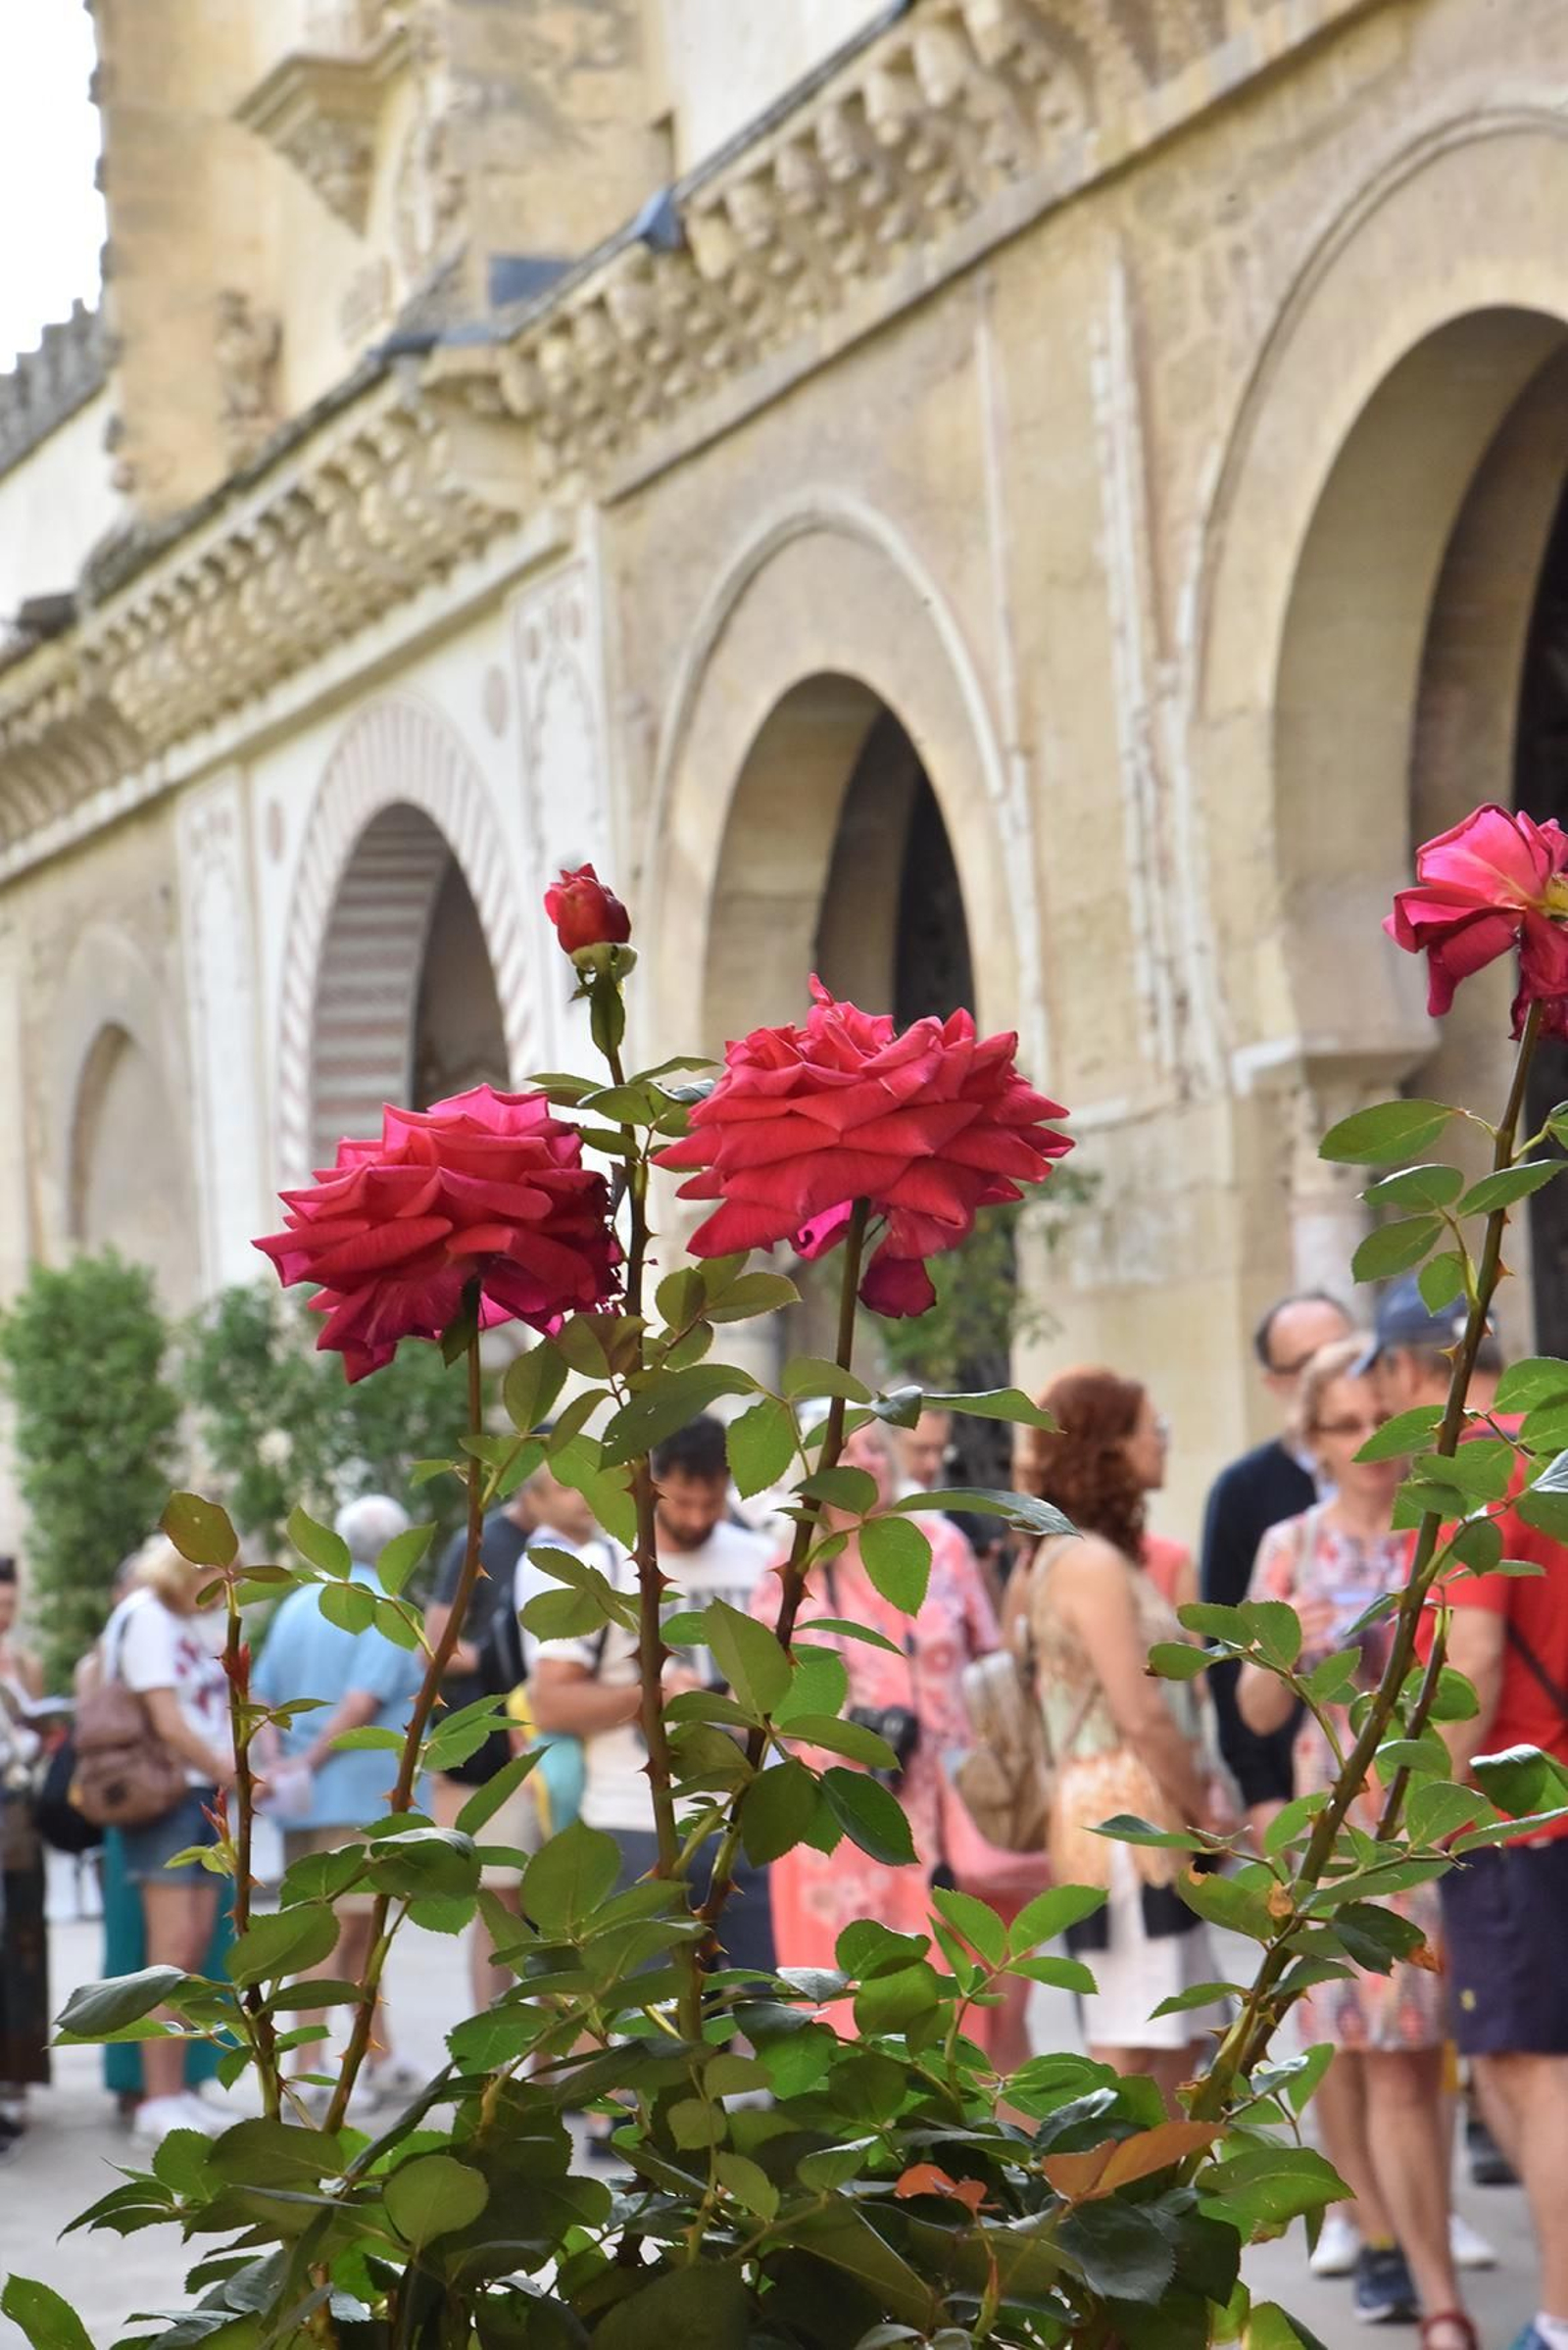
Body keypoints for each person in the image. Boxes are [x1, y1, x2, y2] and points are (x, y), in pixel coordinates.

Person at [1239, 1337, 1474, 2347]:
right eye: (1343, 1426)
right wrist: (1283, 1648)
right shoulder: (1288, 1544)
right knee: (1366, 2055)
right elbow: (1252, 1713)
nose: (1369, 1443)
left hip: (1436, 1818)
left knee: (1422, 2059)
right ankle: (1398, 2256)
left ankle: (1417, 2248)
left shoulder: (1446, 1532)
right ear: (1312, 1440)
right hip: (1338, 1833)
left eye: (1381, 1420)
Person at [1361, 1286, 1568, 2350]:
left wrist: (1417, 1825)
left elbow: (1472, 1660)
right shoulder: (1559, 1448)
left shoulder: (1469, 1472)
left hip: (1513, 1817)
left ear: (1409, 1371)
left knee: (1527, 2072)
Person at [1019, 1368, 1235, 2109]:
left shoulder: (1082, 1556)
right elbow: (1141, 1714)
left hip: (1129, 1815)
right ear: (1109, 1446)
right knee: (1131, 2038)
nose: (1163, 1440)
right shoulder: (1089, 1562)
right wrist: (1203, 1812)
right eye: (1151, 1427)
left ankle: (1155, 2204)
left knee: (1181, 2033)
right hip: (1125, 1823)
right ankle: (1092, 2204)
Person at [754, 1420, 1002, 2019]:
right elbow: (764, 1701)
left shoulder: (942, 1544)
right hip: (837, 1815)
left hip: (943, 1808)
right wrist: (845, 1725)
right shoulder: (791, 1571)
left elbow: (993, 1666)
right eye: (845, 1450)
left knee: (956, 2000)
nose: (867, 1459)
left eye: (874, 1445)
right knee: (844, 2006)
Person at [531, 1417, 775, 1972]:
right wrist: (650, 1698)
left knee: (759, 1999)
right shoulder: (606, 1567)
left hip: (742, 1820)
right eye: (681, 1502)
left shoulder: (760, 1559)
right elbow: (551, 1703)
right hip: (633, 1819)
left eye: (710, 1504)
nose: (695, 1519)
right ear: (652, 1485)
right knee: (653, 2011)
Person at [252, 1494, 424, 2115]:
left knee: (348, 1931)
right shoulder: (383, 1605)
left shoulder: (302, 1602)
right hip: (360, 1792)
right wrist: (309, 1761)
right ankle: (309, 2069)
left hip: (309, 1798)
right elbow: (363, 1701)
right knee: (343, 1932)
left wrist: (278, 1763)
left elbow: (262, 1689)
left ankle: (376, 2054)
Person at [425, 1451, 599, 2004]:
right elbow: (436, 1645)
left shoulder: (582, 1550)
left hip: (555, 1747)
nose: (583, 1497)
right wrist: (502, 1658)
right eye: (566, 1485)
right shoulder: (480, 1542)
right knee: (502, 1905)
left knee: (553, 1905)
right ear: (534, 1491)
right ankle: (494, 2042)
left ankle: (550, 2050)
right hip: (492, 1753)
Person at [1200, 1291, 1353, 1836]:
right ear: (1276, 1383)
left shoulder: (1402, 1471)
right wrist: (1259, 1791)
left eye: (1347, 1352)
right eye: (1310, 1363)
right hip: (1303, 1773)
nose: (1334, 1372)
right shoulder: (1245, 1492)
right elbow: (1224, 1643)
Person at [101, 1536, 235, 2147]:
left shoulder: (183, 1620)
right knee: (169, 1950)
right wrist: (224, 1766)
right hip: (168, 1794)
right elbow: (167, 1720)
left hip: (199, 1792)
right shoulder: (149, 1617)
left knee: (196, 1947)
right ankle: (156, 2097)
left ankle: (177, 2088)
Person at [0, 1557, 48, 2132]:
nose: (5, 1617)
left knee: (24, 1945)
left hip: (19, 1822)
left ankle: (16, 2077)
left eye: (11, 1605)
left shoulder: (27, 1665)